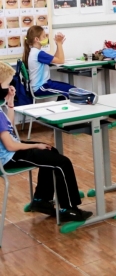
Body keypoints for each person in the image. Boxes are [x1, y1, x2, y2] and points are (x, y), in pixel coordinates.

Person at [0, 62, 92, 222]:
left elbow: (9, 128)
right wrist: (35, 145)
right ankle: (69, 209)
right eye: (7, 84)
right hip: (10, 157)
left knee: (50, 151)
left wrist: (11, 104)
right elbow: (10, 145)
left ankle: (41, 200)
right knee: (62, 163)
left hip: (10, 152)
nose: (10, 87)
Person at [23, 25, 75, 97]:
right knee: (72, 91)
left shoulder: (35, 52)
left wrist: (58, 44)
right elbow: (61, 60)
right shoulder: (39, 54)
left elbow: (56, 58)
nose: (46, 38)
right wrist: (59, 43)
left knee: (69, 89)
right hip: (41, 87)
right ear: (37, 39)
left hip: (44, 84)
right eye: (44, 36)